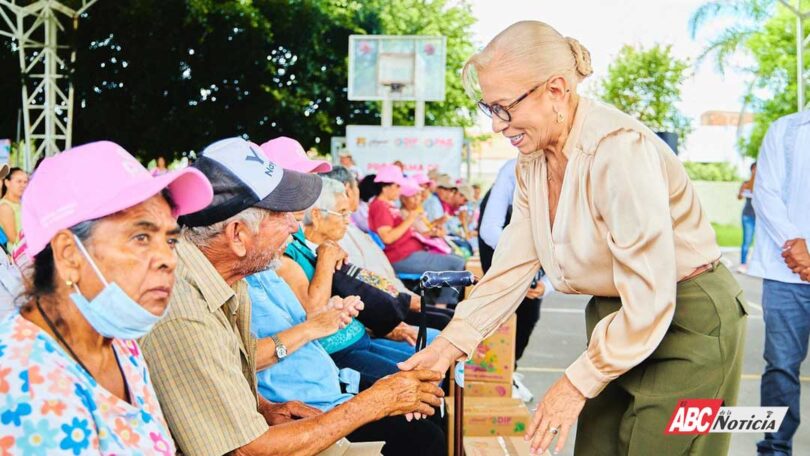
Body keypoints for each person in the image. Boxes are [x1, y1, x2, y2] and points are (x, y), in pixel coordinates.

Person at [399, 21, 747, 456]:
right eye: (490, 110)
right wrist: (448, 345)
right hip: (615, 314)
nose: (496, 127)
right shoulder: (533, 161)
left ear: (557, 89)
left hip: (687, 318)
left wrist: (573, 384)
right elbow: (512, 266)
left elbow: (651, 298)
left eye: (503, 108)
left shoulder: (619, 150)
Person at [139, 137, 444, 456]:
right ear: (238, 236)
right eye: (281, 215)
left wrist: (265, 408)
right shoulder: (186, 311)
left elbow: (222, 383)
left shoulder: (229, 280)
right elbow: (247, 450)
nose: (293, 226)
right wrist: (372, 403)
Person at [0, 141, 214, 454]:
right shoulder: (23, 381)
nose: (168, 259)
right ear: (69, 254)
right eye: (141, 237)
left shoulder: (118, 342)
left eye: (170, 240)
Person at [279, 177, 432, 388]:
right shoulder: (289, 252)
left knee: (430, 367)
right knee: (420, 381)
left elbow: (363, 284)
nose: (347, 220)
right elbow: (314, 311)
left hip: (362, 334)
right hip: (336, 352)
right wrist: (326, 257)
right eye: (342, 213)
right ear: (316, 215)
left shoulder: (315, 244)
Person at [748, 111, 810, 456]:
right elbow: (765, 193)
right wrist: (796, 244)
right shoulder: (786, 130)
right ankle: (774, 448)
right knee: (782, 368)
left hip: (796, 266)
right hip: (786, 275)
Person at [478, 157, 553, 402]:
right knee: (504, 306)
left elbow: (567, 245)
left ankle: (510, 368)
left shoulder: (576, 180)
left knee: (531, 310)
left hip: (538, 240)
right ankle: (497, 373)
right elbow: (489, 230)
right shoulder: (511, 170)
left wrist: (546, 285)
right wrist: (525, 259)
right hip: (500, 237)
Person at [369, 165, 466, 304]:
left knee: (457, 261)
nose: (400, 190)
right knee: (457, 264)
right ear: (386, 187)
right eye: (397, 186)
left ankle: (442, 305)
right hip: (401, 256)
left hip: (410, 253)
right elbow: (387, 237)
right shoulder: (380, 206)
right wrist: (410, 219)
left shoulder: (387, 205)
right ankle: (442, 307)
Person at [0, 167, 29, 252]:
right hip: (18, 255)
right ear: (7, 183)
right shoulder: (5, 206)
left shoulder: (23, 203)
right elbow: (14, 239)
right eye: (19, 181)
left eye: (25, 182)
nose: (23, 185)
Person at [737, 162, 757, 273]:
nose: (756, 171)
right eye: (754, 169)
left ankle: (756, 265)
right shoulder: (746, 184)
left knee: (759, 242)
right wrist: (742, 191)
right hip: (748, 216)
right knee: (747, 240)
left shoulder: (763, 185)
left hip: (760, 218)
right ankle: (743, 264)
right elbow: (739, 197)